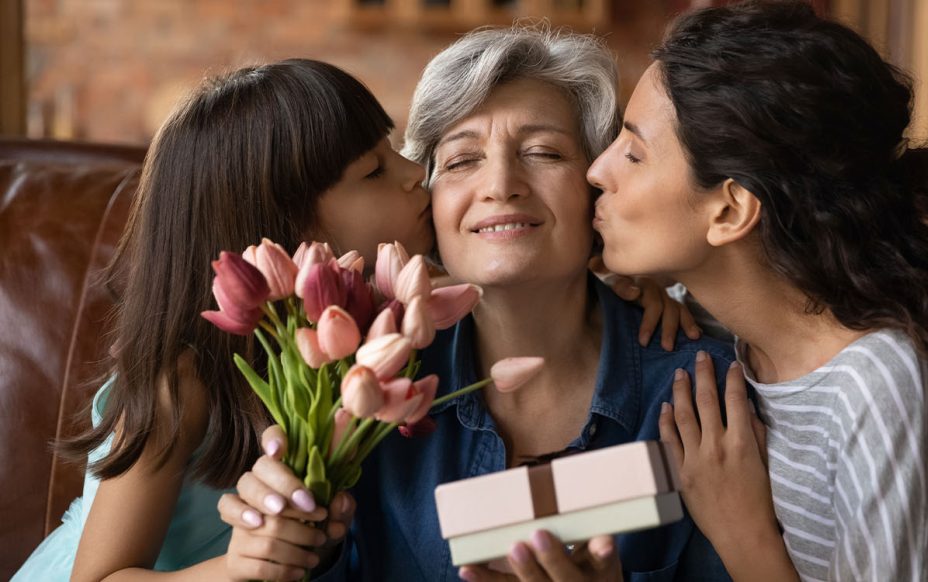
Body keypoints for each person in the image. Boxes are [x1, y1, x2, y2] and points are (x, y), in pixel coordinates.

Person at [219, 27, 736, 581]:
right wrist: (287, 547)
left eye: (542, 152)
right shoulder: (362, 390)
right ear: (429, 203)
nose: (501, 184)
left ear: (597, 188)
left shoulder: (702, 391)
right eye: (462, 161)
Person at [586, 2, 928, 581]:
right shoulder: (715, 326)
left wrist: (745, 537)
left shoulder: (879, 384)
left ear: (731, 209)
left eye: (634, 152)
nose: (597, 170)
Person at [14, 58, 433, 581]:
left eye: (394, 152)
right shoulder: (182, 382)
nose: (417, 173)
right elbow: (98, 577)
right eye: (374, 171)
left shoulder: (363, 334)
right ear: (283, 227)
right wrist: (236, 569)